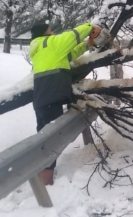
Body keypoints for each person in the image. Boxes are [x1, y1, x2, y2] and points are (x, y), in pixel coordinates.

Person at [29, 22, 111, 186]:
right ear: (45, 32)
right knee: (52, 139)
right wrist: (90, 27)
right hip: (52, 96)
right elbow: (72, 36)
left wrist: (88, 44)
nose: (52, 31)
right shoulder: (50, 42)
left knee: (45, 135)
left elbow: (70, 54)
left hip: (42, 98)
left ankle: (42, 174)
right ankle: (45, 180)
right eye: (50, 29)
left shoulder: (41, 48)